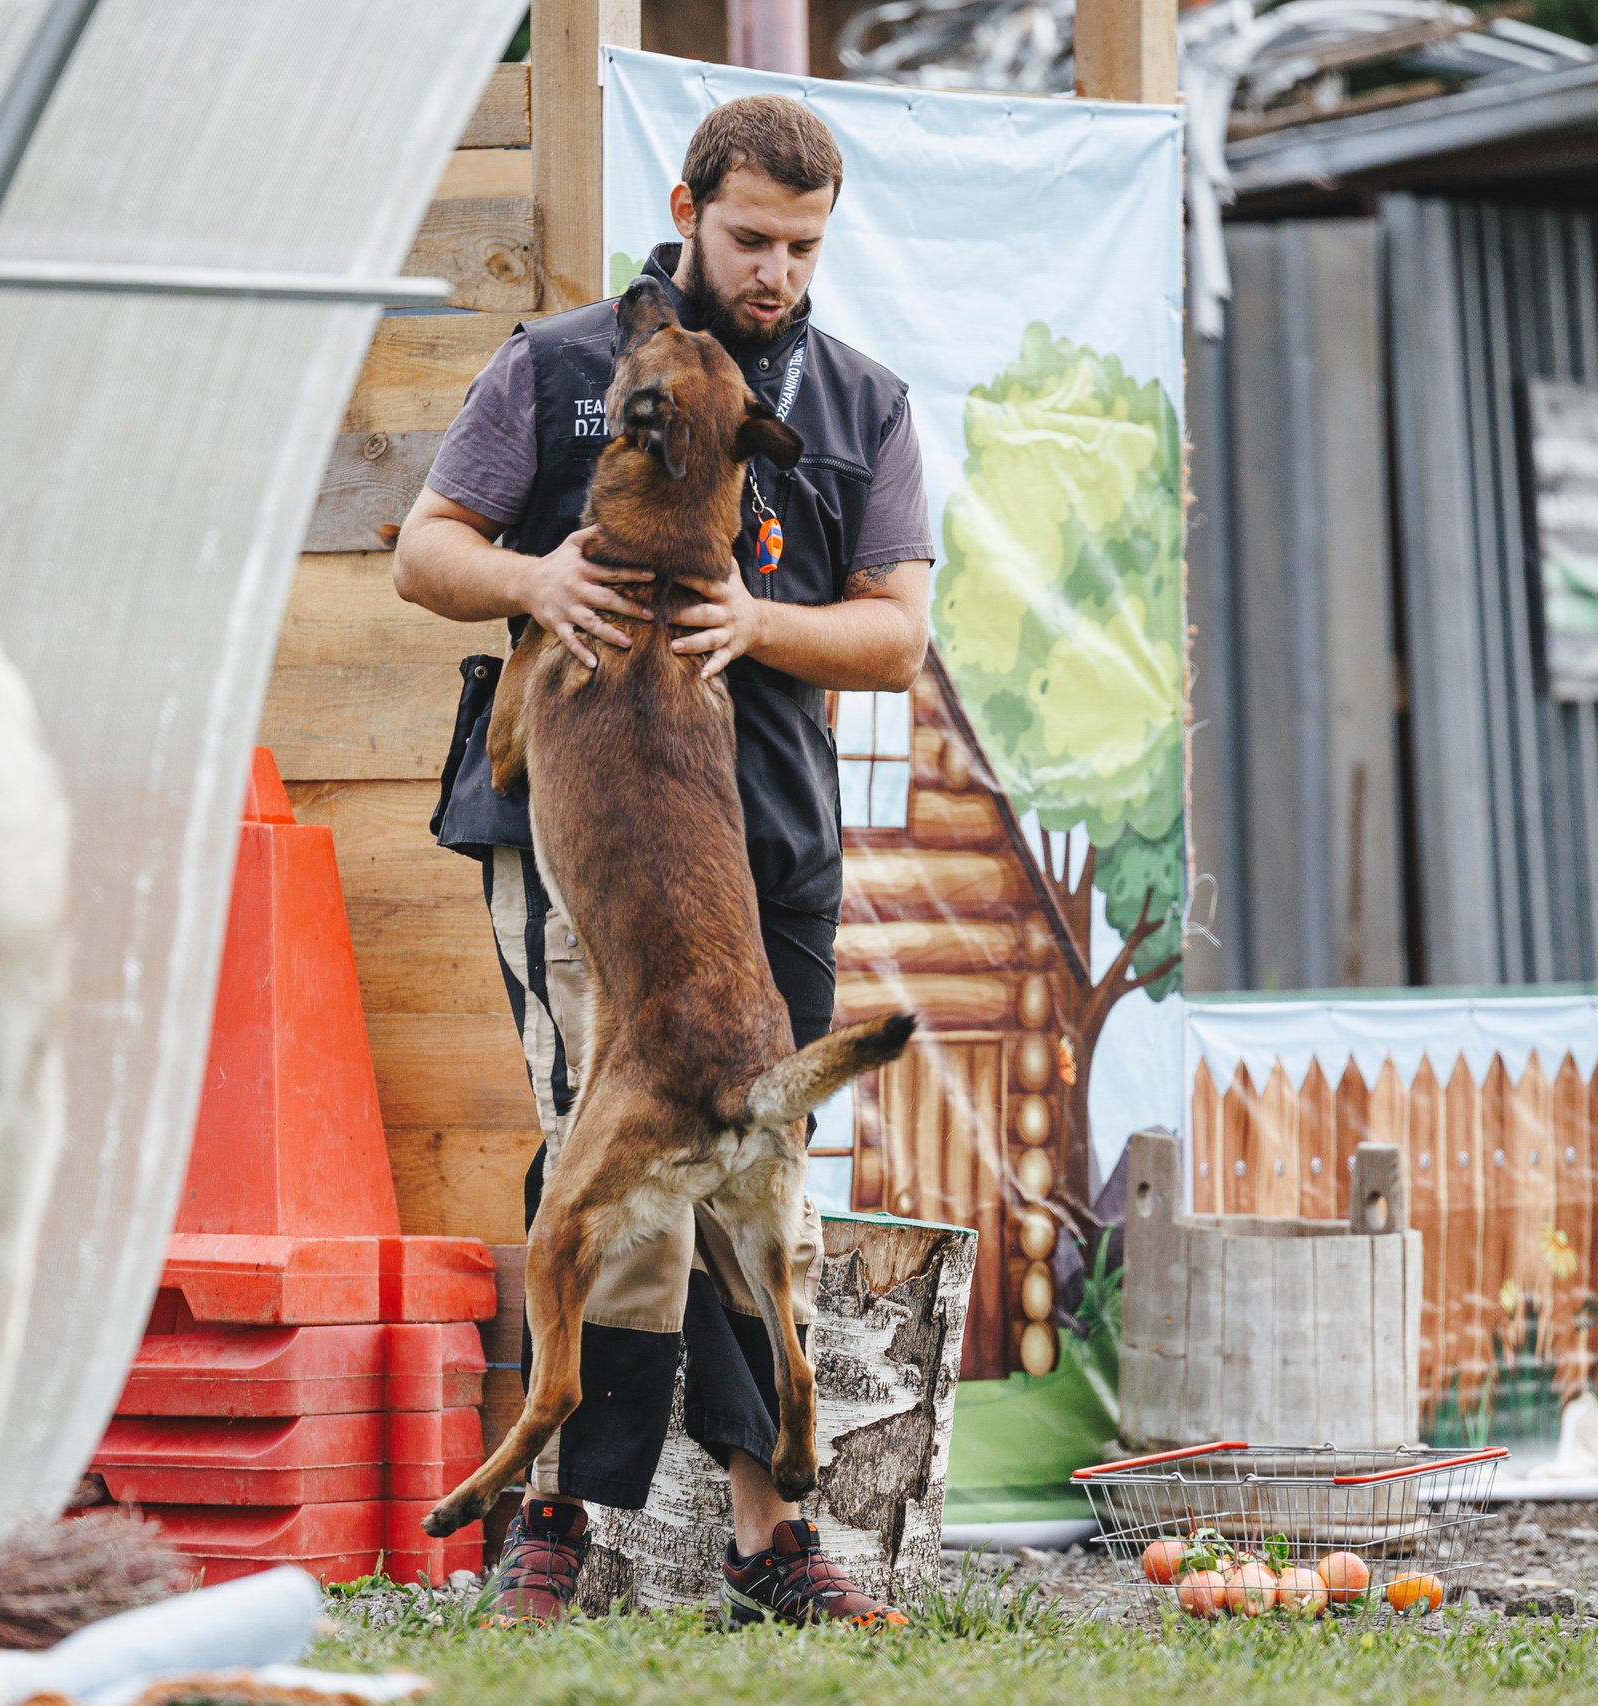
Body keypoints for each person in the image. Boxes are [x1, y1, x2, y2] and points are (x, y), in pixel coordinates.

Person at [393, 94, 933, 1631]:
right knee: (606, 1167)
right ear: (690, 207)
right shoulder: (565, 369)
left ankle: (772, 1539)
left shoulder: (860, 404)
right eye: (754, 237)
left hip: (764, 852)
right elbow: (426, 547)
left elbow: (897, 631)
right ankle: (559, 1523)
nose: (778, 272)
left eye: (806, 247)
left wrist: (763, 627)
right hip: (587, 855)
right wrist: (529, 572)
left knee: (759, 1173)